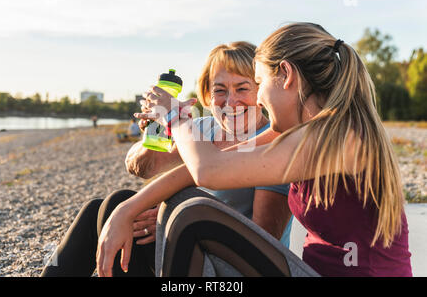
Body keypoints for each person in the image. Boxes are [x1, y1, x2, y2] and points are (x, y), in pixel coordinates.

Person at [96, 22, 412, 277]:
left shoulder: (341, 138)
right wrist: (127, 209)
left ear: (286, 75)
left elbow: (209, 171)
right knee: (148, 205)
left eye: (259, 83)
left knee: (193, 214)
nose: (258, 99)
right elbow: (200, 169)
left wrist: (177, 117)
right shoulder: (291, 133)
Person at [41, 41, 293, 277]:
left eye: (242, 88)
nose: (230, 101)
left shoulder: (272, 141)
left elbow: (264, 238)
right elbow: (141, 167)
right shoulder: (202, 129)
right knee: (102, 208)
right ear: (207, 94)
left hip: (231, 266)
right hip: (190, 245)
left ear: (261, 91)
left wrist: (170, 221)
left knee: (124, 212)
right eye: (219, 90)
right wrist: (153, 131)